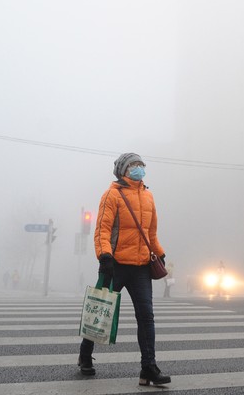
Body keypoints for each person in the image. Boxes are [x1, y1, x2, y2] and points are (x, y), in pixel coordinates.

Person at [78, 152, 171, 386]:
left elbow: (150, 233)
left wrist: (159, 252)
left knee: (146, 316)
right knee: (100, 311)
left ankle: (148, 367)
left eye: (141, 165)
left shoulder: (148, 196)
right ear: (122, 170)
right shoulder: (112, 194)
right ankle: (85, 355)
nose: (138, 169)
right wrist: (104, 256)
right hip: (116, 265)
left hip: (140, 267)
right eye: (133, 165)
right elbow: (102, 230)